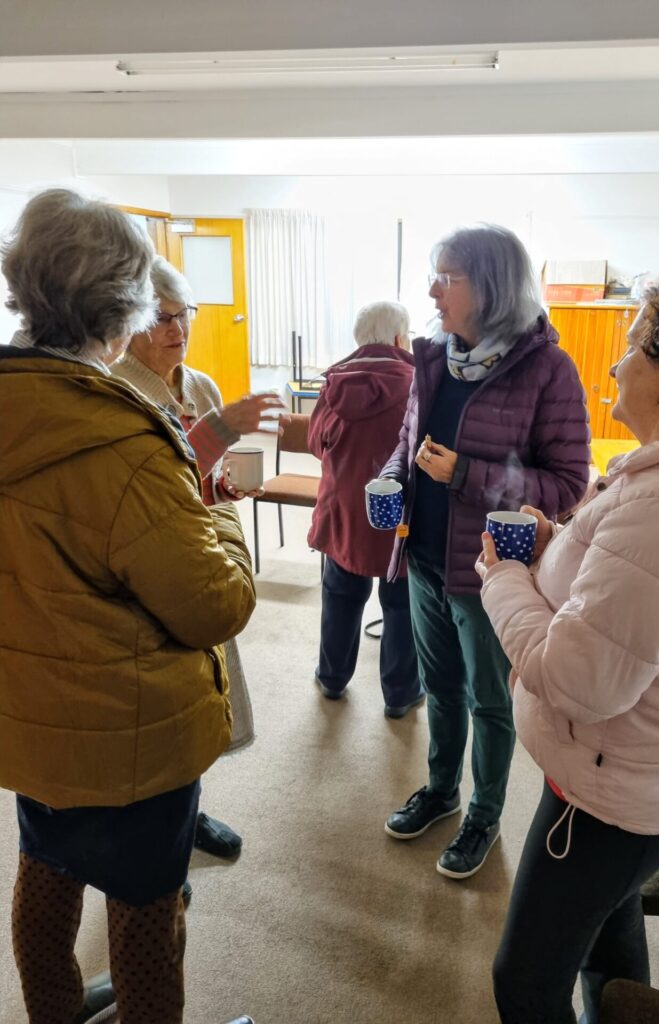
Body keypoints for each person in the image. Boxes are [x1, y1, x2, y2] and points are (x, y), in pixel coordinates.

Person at [477, 272, 659, 1022]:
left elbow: (578, 681)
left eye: (635, 345)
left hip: (613, 792)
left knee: (525, 979)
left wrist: (503, 576)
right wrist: (558, 546)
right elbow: (624, 596)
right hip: (629, 768)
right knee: (610, 936)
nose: (615, 363)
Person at [0, 188, 256, 1024]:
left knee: (45, 871)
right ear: (125, 308)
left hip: (26, 716)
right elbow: (214, 605)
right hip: (128, 733)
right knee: (149, 904)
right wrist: (220, 513)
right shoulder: (122, 445)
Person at [382, 224, 590, 879]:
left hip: (490, 571)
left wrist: (466, 475)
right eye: (434, 275)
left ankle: (484, 813)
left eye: (448, 276)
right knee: (439, 688)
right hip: (423, 557)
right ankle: (443, 793)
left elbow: (567, 485)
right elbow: (411, 440)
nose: (432, 290)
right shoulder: (434, 357)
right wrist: (394, 475)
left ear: (491, 286)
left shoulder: (548, 369)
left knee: (489, 701)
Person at [113, 256, 283, 874]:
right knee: (157, 713)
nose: (175, 327)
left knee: (202, 698)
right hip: (151, 572)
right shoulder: (119, 389)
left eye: (182, 313)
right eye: (159, 317)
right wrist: (216, 434)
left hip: (201, 554)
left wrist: (235, 485)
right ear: (127, 324)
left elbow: (212, 477)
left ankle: (188, 813)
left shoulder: (202, 384)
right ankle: (155, 861)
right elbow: (153, 477)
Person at [308, 300, 422, 717]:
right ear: (398, 338)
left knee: (340, 595)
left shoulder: (335, 383)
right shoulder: (420, 383)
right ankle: (400, 694)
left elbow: (316, 442)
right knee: (403, 604)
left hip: (345, 510)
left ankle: (332, 678)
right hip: (403, 514)